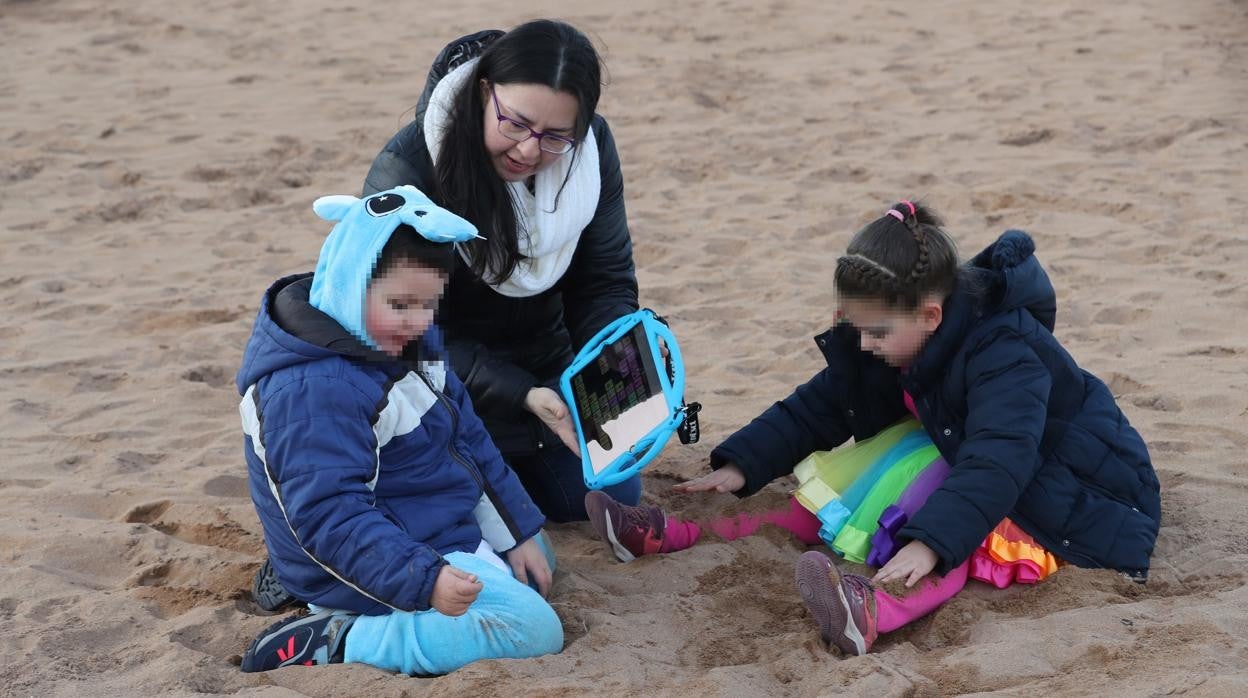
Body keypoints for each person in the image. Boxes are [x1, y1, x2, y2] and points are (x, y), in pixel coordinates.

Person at [584, 200, 1161, 656]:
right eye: (855, 328)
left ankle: (874, 612)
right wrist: (743, 462)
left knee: (945, 526)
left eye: (876, 333)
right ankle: (672, 534)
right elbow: (825, 402)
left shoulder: (1005, 351)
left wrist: (931, 543)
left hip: (1063, 483)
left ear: (930, 315)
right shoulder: (894, 329)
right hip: (957, 447)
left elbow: (998, 460)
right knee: (836, 488)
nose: (865, 344)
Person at [236, 186, 562, 675]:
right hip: (373, 548)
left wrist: (515, 533)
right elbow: (329, 514)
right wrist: (424, 579)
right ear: (350, 282)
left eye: (430, 305)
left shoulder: (403, 340)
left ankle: (312, 588)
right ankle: (341, 638)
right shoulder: (312, 390)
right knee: (533, 630)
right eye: (402, 304)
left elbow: (466, 439)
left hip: (418, 518)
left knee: (538, 557)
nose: (419, 321)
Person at [360, 19, 646, 523]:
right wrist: (518, 393)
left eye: (558, 136)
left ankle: (500, 473)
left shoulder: (590, 150)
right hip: (437, 381)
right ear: (485, 92)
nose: (530, 150)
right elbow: (399, 331)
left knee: (613, 492)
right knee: (458, 508)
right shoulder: (409, 170)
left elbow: (604, 282)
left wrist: (615, 369)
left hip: (547, 367)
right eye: (515, 123)